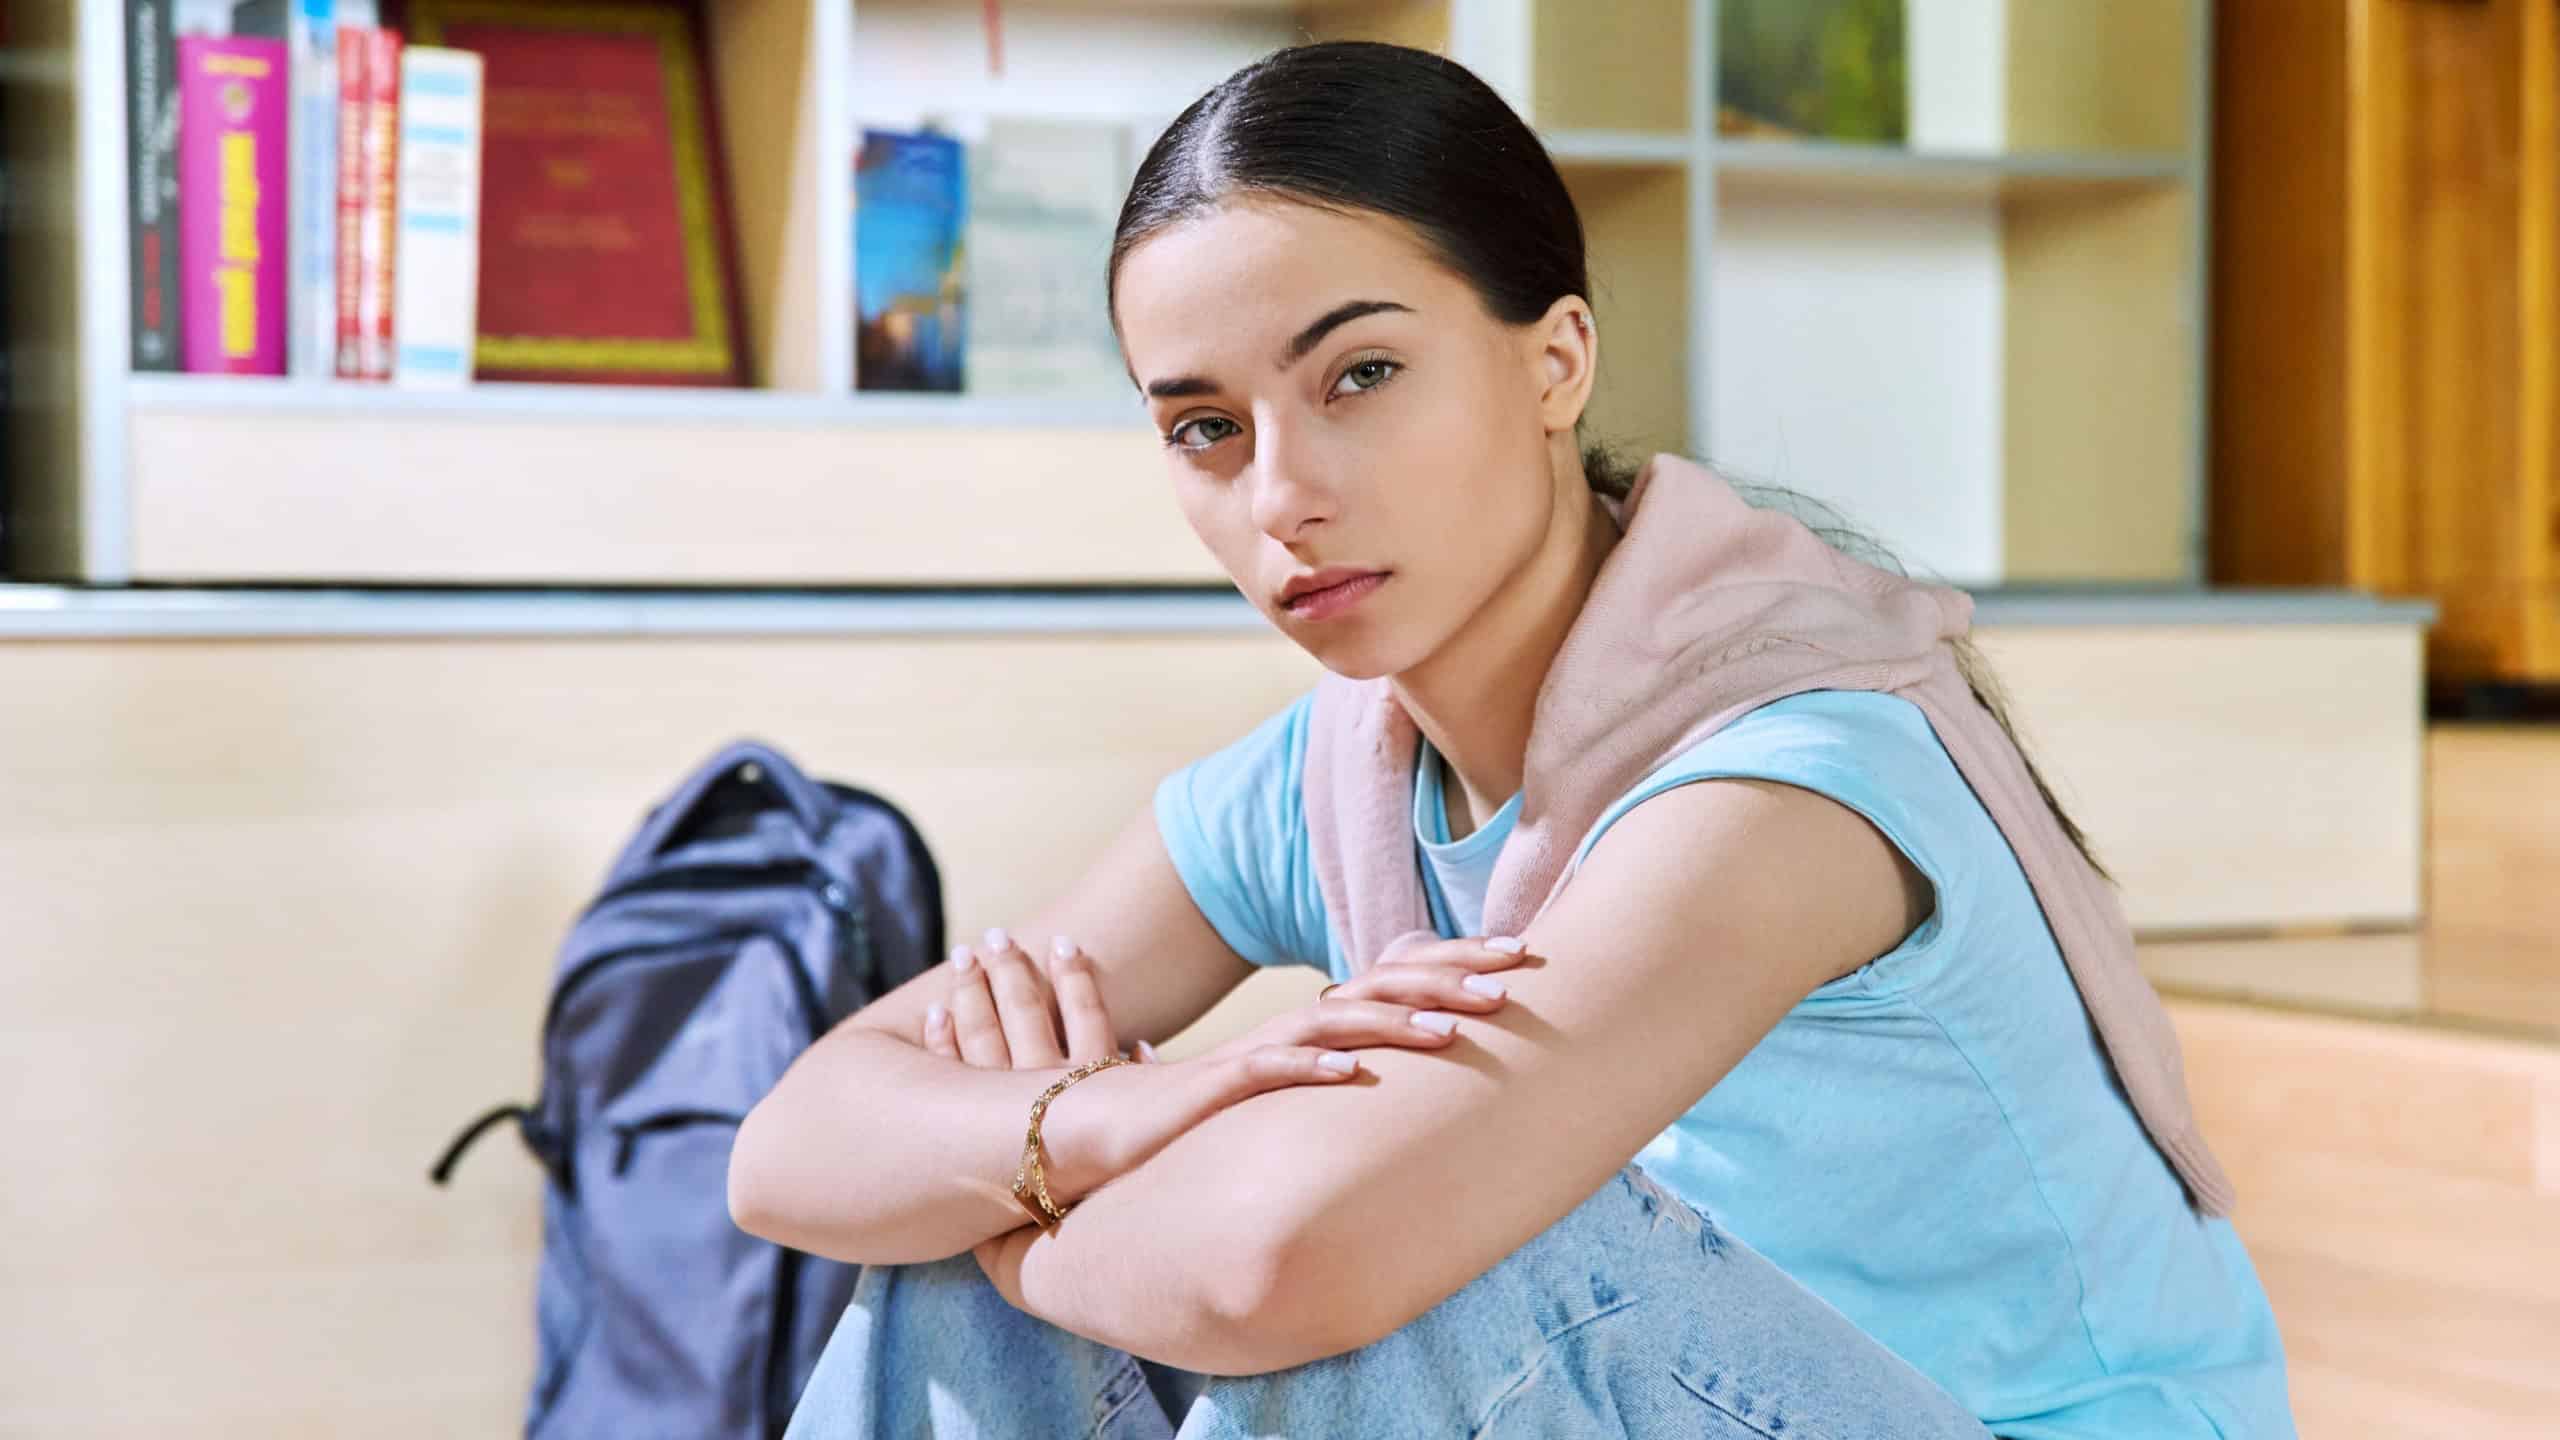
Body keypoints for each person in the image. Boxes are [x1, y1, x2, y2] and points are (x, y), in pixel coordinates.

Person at [731, 40, 2296, 1439]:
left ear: (1556, 362)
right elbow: (791, 1148)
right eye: (1206, 427)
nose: (1280, 495)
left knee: (1431, 1258)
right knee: (960, 1271)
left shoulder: (1786, 783)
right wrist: (1104, 1117)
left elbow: (1287, 1265)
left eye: (1362, 374)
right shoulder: (1337, 765)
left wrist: (1028, 1197)